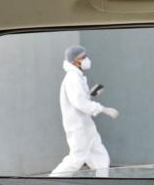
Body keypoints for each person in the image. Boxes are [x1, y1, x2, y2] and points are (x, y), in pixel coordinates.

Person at [50, 45, 120, 177]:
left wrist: (91, 94)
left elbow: (81, 99)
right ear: (74, 61)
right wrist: (103, 109)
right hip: (78, 127)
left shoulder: (78, 76)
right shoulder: (72, 77)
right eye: (83, 57)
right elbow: (79, 102)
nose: (87, 59)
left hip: (85, 126)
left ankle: (104, 183)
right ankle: (50, 182)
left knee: (101, 158)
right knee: (76, 159)